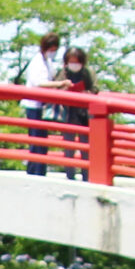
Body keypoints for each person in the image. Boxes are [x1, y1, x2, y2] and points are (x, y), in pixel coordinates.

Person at [17, 33, 65, 176]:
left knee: (42, 142)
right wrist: (59, 83)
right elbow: (39, 83)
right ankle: (34, 172)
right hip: (34, 105)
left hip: (43, 106)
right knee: (36, 141)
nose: (53, 52)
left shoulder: (48, 62)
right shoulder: (37, 62)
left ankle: (39, 171)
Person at [57, 45, 99, 180]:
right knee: (68, 146)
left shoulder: (87, 72)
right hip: (68, 111)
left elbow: (95, 88)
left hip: (83, 113)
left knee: (85, 146)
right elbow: (56, 87)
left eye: (76, 61)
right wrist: (65, 87)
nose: (74, 64)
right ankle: (70, 176)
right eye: (71, 61)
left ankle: (86, 176)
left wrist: (86, 93)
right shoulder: (63, 72)